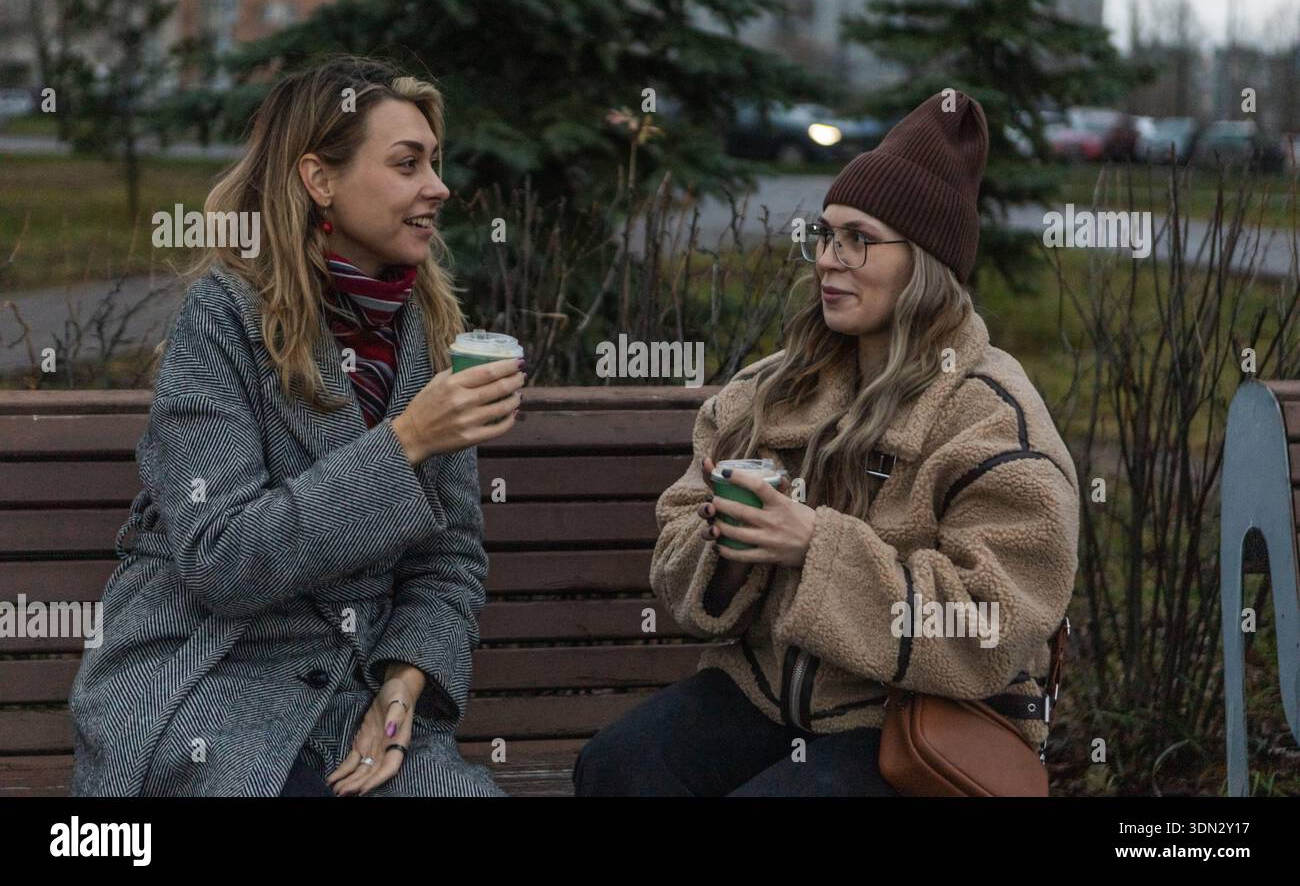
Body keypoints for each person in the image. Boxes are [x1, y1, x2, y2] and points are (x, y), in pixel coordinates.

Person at [573, 90, 1080, 796]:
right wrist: (729, 542)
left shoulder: (989, 417)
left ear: (925, 262)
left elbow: (994, 619)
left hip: (911, 719)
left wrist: (815, 546)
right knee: (617, 769)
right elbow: (675, 556)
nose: (829, 260)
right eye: (825, 234)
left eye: (859, 240)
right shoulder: (769, 389)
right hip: (764, 693)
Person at [67, 57, 525, 796]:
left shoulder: (431, 336)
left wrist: (402, 693)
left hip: (355, 692)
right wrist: (405, 442)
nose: (437, 188)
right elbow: (222, 559)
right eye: (408, 164)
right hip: (211, 679)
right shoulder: (222, 320)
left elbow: (450, 562)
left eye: (435, 163)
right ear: (320, 180)